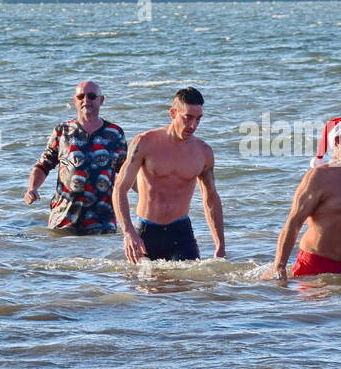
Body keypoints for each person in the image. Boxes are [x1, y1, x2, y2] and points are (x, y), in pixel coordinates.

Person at [114, 87, 224, 262]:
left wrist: (220, 246)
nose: (193, 125)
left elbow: (210, 197)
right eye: (187, 117)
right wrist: (128, 232)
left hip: (181, 234)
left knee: (188, 286)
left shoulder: (203, 152)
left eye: (198, 119)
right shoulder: (145, 142)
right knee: (144, 287)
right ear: (173, 113)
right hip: (146, 233)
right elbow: (120, 188)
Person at [271, 117, 341, 278]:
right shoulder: (319, 176)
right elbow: (294, 222)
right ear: (338, 140)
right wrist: (279, 269)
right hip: (318, 265)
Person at [24, 80, 128, 234]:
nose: (86, 101)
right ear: (75, 101)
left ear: (101, 100)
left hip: (102, 221)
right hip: (63, 220)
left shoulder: (115, 134)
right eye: (81, 97)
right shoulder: (63, 131)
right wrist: (32, 189)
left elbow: (128, 172)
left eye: (91, 96)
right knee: (63, 258)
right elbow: (43, 165)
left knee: (102, 258)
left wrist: (152, 194)